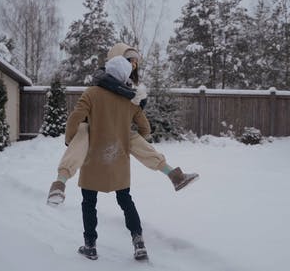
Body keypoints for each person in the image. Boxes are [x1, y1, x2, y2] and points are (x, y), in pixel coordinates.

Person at [47, 43, 198, 206]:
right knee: (84, 132)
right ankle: (59, 184)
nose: (133, 65)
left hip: (115, 131)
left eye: (135, 62)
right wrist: (143, 134)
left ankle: (175, 176)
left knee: (125, 136)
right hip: (95, 130)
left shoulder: (125, 89)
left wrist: (70, 139)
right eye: (130, 61)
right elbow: (140, 121)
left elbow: (138, 117)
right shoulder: (110, 84)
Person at [65, 55, 149, 260]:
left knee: (88, 201)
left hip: (94, 157)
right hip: (118, 157)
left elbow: (75, 118)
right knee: (125, 199)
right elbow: (145, 128)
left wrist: (70, 141)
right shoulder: (130, 99)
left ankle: (90, 245)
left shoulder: (91, 93)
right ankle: (138, 242)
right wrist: (137, 141)